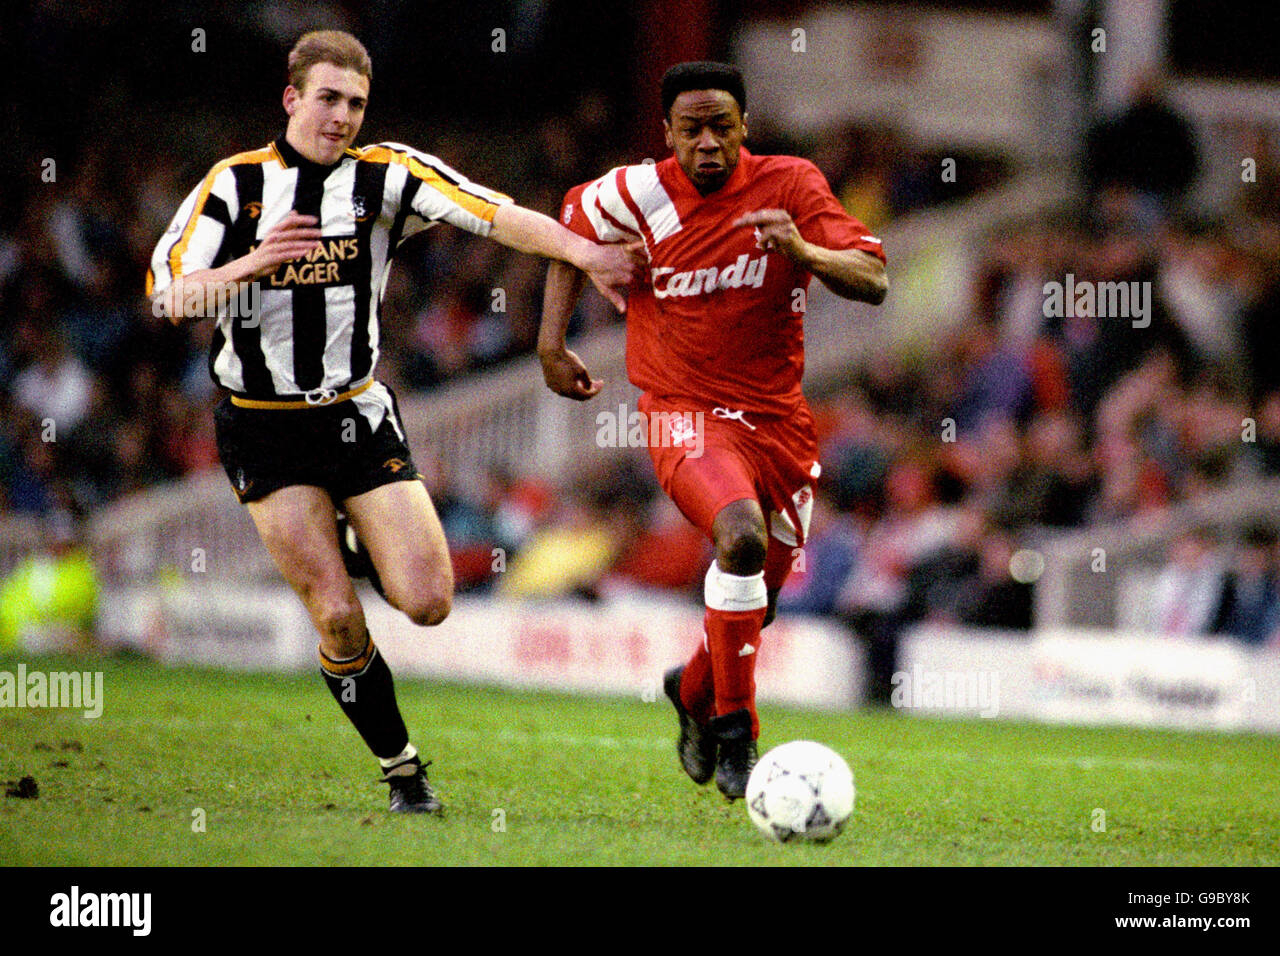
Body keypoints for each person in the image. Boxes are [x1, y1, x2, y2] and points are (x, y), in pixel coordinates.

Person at [146, 30, 640, 814]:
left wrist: (585, 252)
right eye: (328, 98)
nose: (341, 116)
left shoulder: (386, 176)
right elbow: (169, 297)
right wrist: (251, 265)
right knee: (338, 616)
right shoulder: (232, 188)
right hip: (262, 426)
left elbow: (493, 214)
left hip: (355, 415)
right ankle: (402, 770)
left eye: (356, 103)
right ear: (292, 98)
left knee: (428, 600)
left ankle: (350, 529)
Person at [537, 62, 888, 798]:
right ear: (666, 134)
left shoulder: (790, 186)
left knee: (754, 599)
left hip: (779, 424)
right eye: (690, 129)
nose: (706, 143)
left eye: (720, 127)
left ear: (744, 129)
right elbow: (564, 231)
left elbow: (872, 278)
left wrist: (804, 253)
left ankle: (693, 691)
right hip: (682, 412)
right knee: (740, 536)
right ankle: (738, 733)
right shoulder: (634, 192)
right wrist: (550, 341)